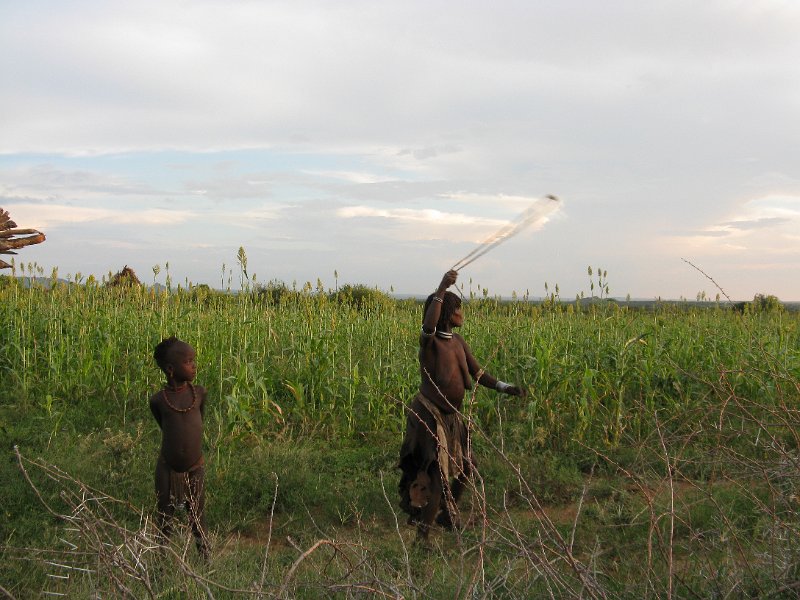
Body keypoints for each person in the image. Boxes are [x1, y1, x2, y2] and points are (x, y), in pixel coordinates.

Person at [399, 270, 526, 541]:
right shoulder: (430, 343)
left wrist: (506, 388)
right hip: (429, 416)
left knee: (468, 465)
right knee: (436, 478)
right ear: (446, 313)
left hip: (451, 418)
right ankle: (422, 538)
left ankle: (446, 515)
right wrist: (442, 287)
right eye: (458, 310)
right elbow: (428, 327)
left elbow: (478, 374)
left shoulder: (457, 343)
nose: (462, 315)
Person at [150, 336, 209, 559]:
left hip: (195, 466)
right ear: (170, 369)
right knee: (165, 517)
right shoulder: (158, 401)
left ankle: (205, 559)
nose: (194, 365)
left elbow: (198, 423)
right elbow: (166, 429)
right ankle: (160, 562)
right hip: (167, 468)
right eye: (189, 361)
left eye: (194, 360)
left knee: (197, 516)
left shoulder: (199, 394)